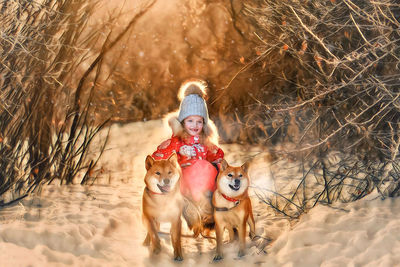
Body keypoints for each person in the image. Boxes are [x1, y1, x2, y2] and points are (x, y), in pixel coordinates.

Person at [152, 79, 224, 203]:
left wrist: (217, 166)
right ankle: (191, 205)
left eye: (199, 121)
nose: (194, 125)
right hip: (182, 188)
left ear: (204, 123)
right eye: (190, 121)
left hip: (203, 188)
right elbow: (158, 159)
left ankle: (207, 206)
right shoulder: (176, 142)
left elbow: (219, 157)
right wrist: (176, 157)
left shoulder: (206, 144)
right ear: (183, 122)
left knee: (207, 167)